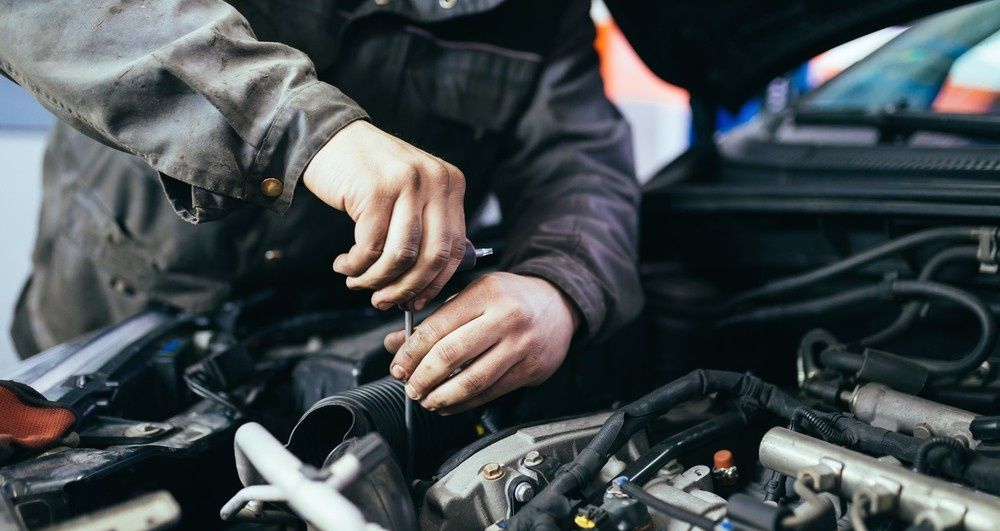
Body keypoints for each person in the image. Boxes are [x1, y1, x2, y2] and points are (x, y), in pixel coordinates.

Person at [2, 0, 641, 415]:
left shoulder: (538, 15)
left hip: (328, 360)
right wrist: (301, 129)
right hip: (105, 336)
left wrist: (556, 286)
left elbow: (579, 162)